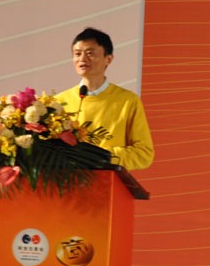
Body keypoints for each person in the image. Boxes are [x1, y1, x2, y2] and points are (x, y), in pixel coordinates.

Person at [56, 27, 154, 171]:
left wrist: (102, 157)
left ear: (108, 59)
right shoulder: (58, 102)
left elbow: (143, 154)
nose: (82, 59)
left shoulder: (128, 101)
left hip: (108, 180)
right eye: (77, 54)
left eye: (90, 53)